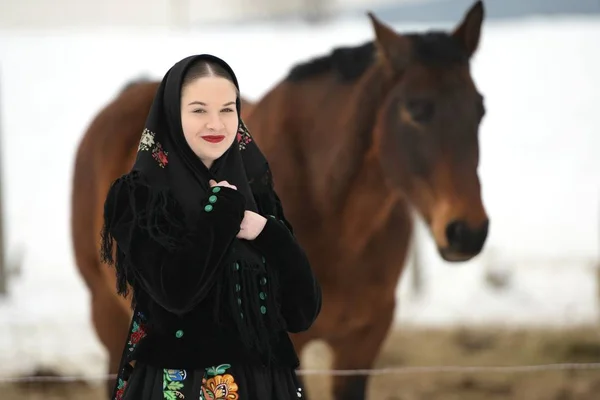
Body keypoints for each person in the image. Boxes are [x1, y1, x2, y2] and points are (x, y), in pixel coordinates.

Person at [100, 54, 322, 400]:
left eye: (227, 109)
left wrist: (270, 234)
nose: (216, 124)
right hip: (179, 388)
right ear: (173, 114)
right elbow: (176, 292)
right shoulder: (141, 200)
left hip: (266, 387)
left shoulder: (257, 196)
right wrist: (221, 212)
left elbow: (301, 313)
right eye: (199, 110)